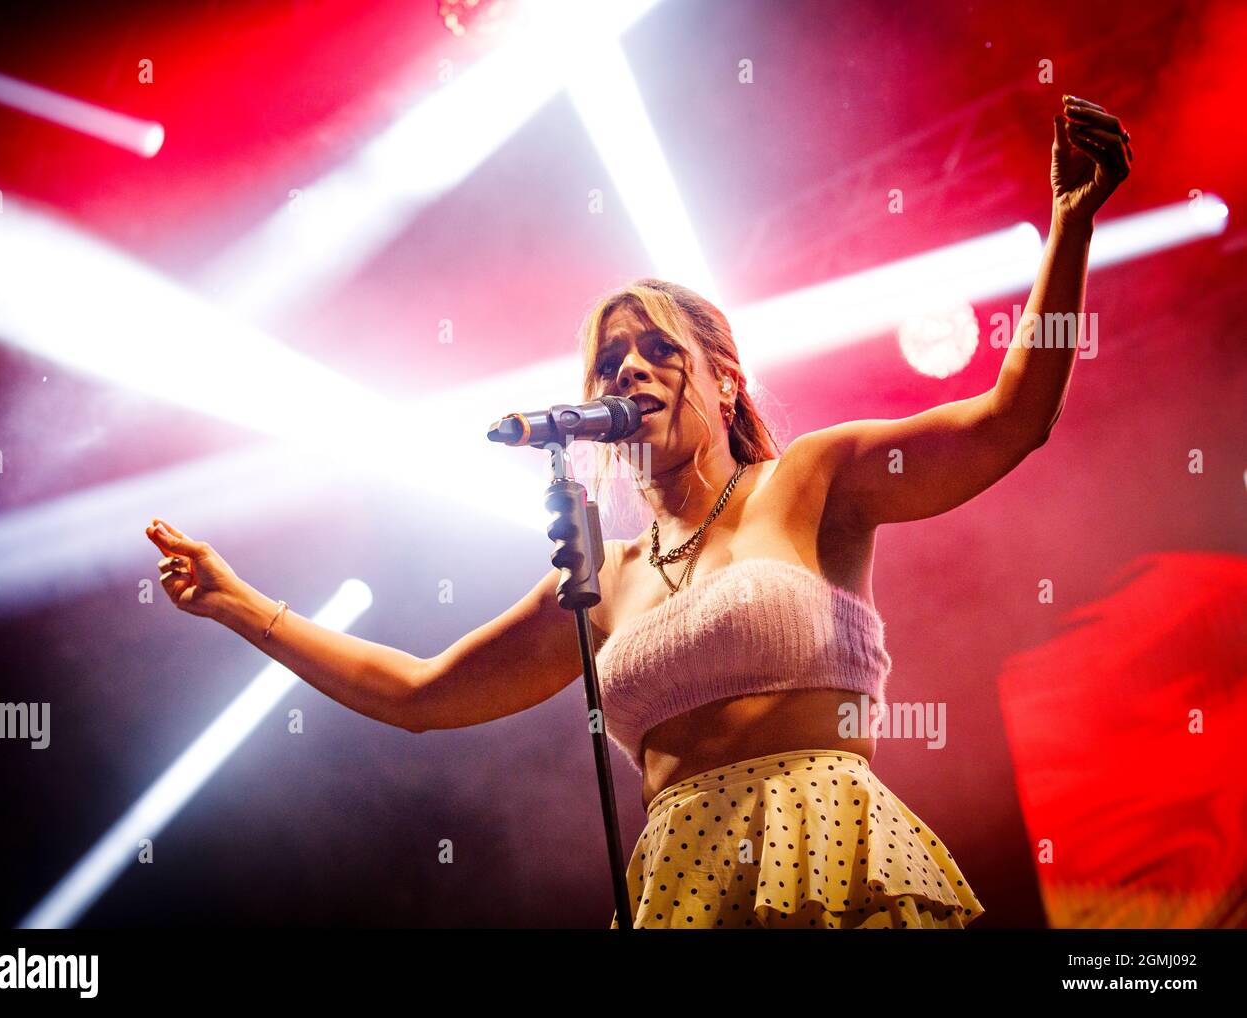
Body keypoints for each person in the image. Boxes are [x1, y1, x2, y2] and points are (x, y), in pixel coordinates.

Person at [146, 94, 1130, 928]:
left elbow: (1011, 421)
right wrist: (240, 604)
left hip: (833, 853)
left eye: (657, 350)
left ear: (724, 379)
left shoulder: (810, 481)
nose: (629, 370)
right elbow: (419, 695)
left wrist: (1071, 225)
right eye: (609, 362)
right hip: (683, 880)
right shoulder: (601, 578)